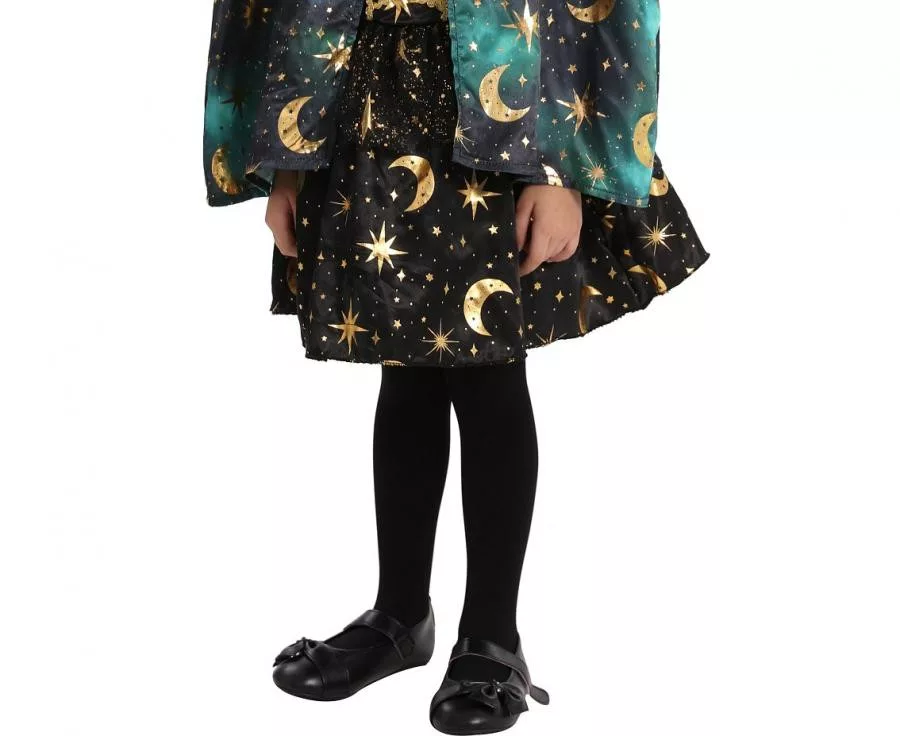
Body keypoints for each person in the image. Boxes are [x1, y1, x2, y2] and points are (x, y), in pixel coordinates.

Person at [203, 1, 708, 732]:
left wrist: (558, 165)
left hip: (503, 102)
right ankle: (400, 615)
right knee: (404, 364)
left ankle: (493, 638)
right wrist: (289, 161)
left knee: (487, 372)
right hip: (363, 91)